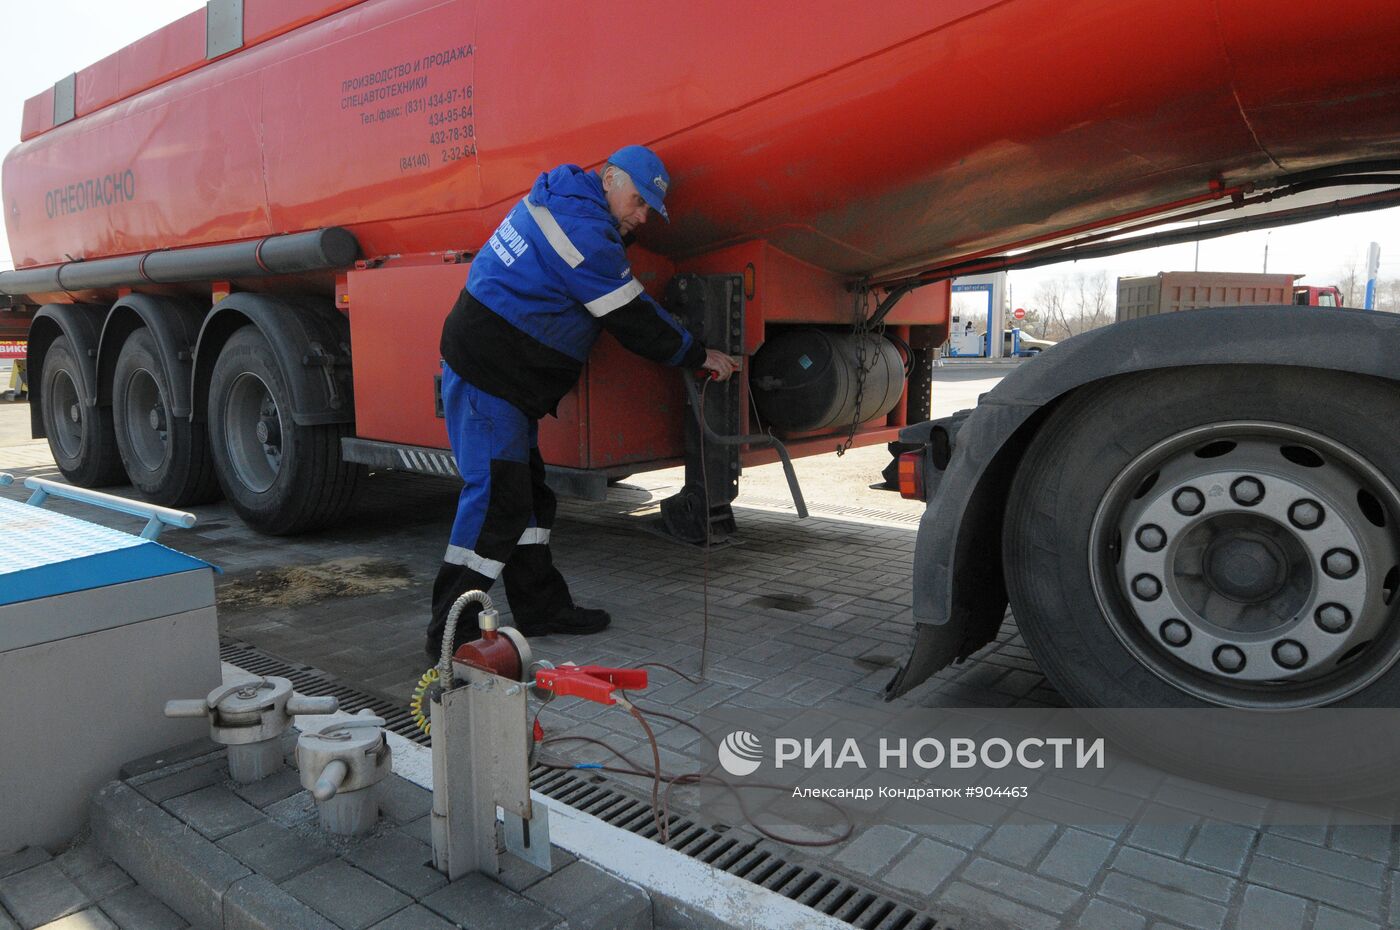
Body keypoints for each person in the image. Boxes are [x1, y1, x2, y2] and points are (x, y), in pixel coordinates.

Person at [427, 145, 738, 658]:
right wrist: (698, 354)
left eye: (648, 211)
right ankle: (449, 635)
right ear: (611, 178)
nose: (641, 218)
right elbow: (633, 319)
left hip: (506, 378)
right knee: (497, 502)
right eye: (637, 202)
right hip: (490, 375)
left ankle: (542, 607)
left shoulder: (566, 199)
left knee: (527, 497)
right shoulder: (584, 232)